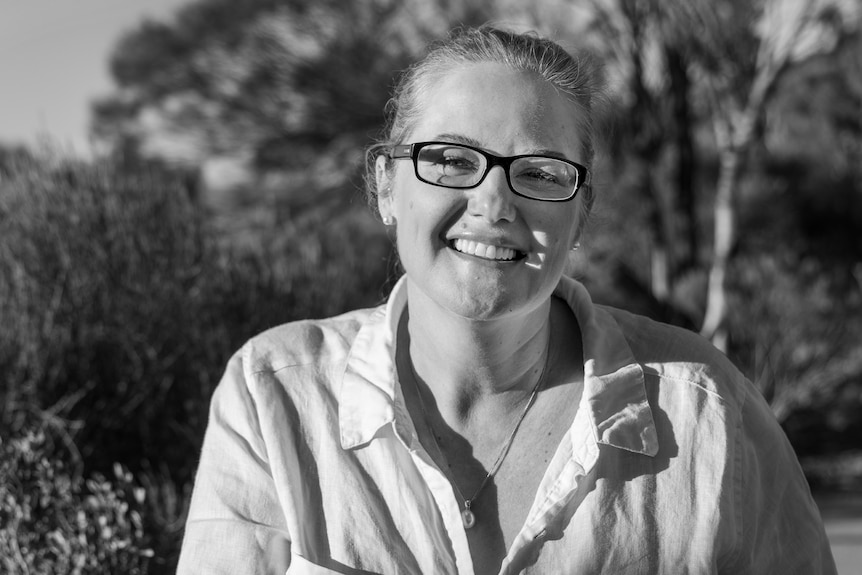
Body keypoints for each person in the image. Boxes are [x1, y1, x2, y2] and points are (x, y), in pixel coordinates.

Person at [177, 26, 835, 575]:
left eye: (541, 173)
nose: (494, 204)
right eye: (453, 160)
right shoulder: (275, 399)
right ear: (386, 186)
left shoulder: (707, 414)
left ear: (580, 215)